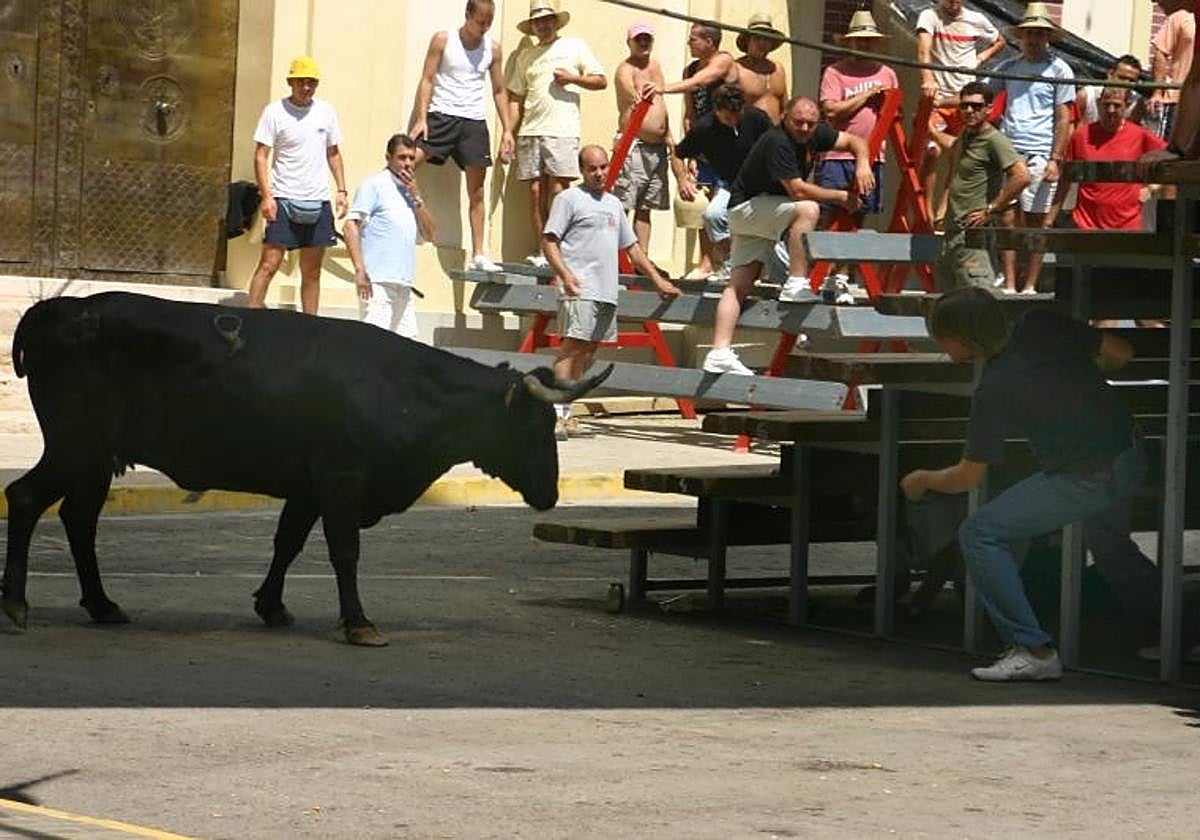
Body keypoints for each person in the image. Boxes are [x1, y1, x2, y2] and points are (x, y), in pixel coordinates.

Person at [900, 288, 1171, 681]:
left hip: (1086, 476)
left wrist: (922, 480)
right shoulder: (1041, 324)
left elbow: (968, 477)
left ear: (959, 340)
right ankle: (1189, 635)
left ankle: (1033, 649)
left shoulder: (994, 388)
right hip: (1128, 452)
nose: (942, 347)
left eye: (941, 338)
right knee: (1112, 548)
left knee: (979, 532)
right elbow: (1121, 351)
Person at [702, 96, 873, 376]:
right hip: (748, 208)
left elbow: (856, 141)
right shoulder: (777, 141)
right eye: (798, 122)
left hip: (754, 212)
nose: (805, 128)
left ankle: (718, 352)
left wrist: (863, 163)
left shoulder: (815, 133)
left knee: (738, 285)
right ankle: (796, 281)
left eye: (810, 123)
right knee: (807, 209)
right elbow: (798, 190)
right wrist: (843, 197)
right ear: (784, 118)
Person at [542, 145, 681, 436]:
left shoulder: (614, 204)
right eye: (592, 168)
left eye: (603, 167)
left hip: (607, 290)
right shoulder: (568, 199)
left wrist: (657, 280)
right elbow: (549, 241)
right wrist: (565, 274)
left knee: (588, 350)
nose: (599, 173)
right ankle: (554, 413)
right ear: (582, 170)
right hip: (579, 287)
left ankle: (567, 411)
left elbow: (632, 248)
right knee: (572, 347)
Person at [409, 0, 514, 273]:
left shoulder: (493, 49)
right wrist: (422, 118)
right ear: (468, 15)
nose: (483, 27)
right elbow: (427, 79)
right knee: (405, 165)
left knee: (477, 191)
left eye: (488, 22)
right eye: (480, 21)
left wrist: (507, 130)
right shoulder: (443, 40)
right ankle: (408, 224)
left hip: (473, 122)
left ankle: (479, 253)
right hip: (441, 115)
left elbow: (500, 90)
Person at [505, 0, 606, 268]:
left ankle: (560, 250)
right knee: (536, 193)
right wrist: (508, 131)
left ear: (556, 21)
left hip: (562, 130)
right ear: (533, 26)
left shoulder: (574, 46)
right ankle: (543, 252)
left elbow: (600, 80)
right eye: (538, 21)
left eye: (548, 19)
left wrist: (573, 79)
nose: (543, 24)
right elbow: (515, 97)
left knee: (559, 193)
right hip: (530, 131)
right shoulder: (525, 56)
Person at [247, 55, 348, 315]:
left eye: (312, 82)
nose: (306, 87)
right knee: (269, 264)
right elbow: (261, 155)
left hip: (317, 199)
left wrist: (342, 189)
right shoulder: (274, 112)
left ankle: (309, 326)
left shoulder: (326, 111)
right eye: (302, 82)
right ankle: (250, 318)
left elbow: (333, 153)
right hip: (283, 197)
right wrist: (267, 196)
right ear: (291, 82)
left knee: (312, 271)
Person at [990, 3, 1074, 295]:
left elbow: (1064, 116)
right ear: (1021, 37)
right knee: (1007, 217)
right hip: (1010, 153)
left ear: (1047, 37)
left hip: (1040, 152)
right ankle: (1011, 282)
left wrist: (1056, 159)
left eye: (1040, 34)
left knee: (1036, 223)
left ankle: (1030, 284)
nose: (1034, 39)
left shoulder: (1060, 68)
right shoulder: (1009, 66)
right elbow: (984, 93)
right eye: (1029, 34)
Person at [818, 10, 898, 297]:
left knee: (859, 215)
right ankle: (825, 272)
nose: (864, 44)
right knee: (832, 214)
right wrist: (866, 96)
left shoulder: (888, 73)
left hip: (875, 155)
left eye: (869, 40)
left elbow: (894, 112)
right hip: (838, 154)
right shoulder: (835, 71)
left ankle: (844, 274)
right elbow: (830, 110)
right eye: (859, 40)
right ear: (850, 42)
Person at [656, 23, 738, 278]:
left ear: (710, 42)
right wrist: (692, 153)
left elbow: (702, 81)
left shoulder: (723, 61)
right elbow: (690, 115)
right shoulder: (690, 68)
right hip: (705, 146)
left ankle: (731, 260)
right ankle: (707, 261)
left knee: (724, 206)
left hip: (730, 146)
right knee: (702, 204)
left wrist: (664, 87)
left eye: (693, 39)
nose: (689, 43)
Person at [670, 84, 774, 283]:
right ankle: (731, 261)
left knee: (765, 227)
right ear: (716, 111)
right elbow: (676, 153)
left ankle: (765, 269)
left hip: (763, 185)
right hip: (731, 185)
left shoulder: (756, 118)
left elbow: (778, 143)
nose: (734, 121)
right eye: (728, 117)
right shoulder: (704, 128)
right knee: (713, 215)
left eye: (738, 115)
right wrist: (682, 179)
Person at [915, 0, 1006, 226]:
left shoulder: (975, 19)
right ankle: (924, 211)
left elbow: (999, 41)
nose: (954, 3)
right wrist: (927, 79)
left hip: (963, 99)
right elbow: (923, 50)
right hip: (938, 97)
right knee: (932, 152)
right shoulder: (930, 16)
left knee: (959, 156)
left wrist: (980, 59)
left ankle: (943, 211)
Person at [935, 82, 1030, 290]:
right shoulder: (967, 135)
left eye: (976, 106)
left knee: (978, 300)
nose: (969, 111)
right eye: (965, 105)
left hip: (973, 234)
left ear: (989, 108)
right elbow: (952, 147)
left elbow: (1022, 176)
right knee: (946, 306)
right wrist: (929, 130)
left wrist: (992, 209)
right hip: (952, 233)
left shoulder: (994, 140)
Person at [343, 134, 438, 339]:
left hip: (403, 284)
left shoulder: (411, 193)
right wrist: (359, 270)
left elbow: (431, 234)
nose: (407, 163)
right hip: (376, 283)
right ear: (388, 158)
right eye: (401, 157)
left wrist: (417, 196)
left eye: (411, 158)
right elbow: (350, 226)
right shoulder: (374, 185)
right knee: (374, 345)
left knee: (406, 348)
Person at [1046, 87, 1167, 232]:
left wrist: (1152, 188)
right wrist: (1049, 219)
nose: (1111, 110)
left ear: (1127, 106)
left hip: (1127, 227)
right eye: (1106, 104)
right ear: (1098, 104)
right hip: (1086, 227)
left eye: (1117, 105)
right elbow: (1066, 179)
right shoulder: (1081, 135)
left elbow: (1170, 158)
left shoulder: (1140, 135)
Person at [613, 22, 672, 257]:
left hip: (656, 148)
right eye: (639, 39)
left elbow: (661, 100)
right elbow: (633, 95)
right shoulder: (625, 69)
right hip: (634, 145)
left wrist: (667, 133)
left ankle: (641, 258)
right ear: (629, 43)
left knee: (647, 206)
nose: (644, 42)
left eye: (647, 38)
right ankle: (618, 257)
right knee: (625, 203)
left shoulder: (655, 65)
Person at [1151, 0, 1196, 139]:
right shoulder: (1180, 17)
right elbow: (1160, 52)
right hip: (1177, 99)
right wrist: (1158, 91)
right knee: (1169, 146)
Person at [733, 13, 788, 124]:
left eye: (767, 38)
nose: (762, 43)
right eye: (757, 38)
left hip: (774, 135)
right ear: (748, 40)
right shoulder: (736, 69)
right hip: (747, 135)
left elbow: (785, 108)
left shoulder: (778, 69)